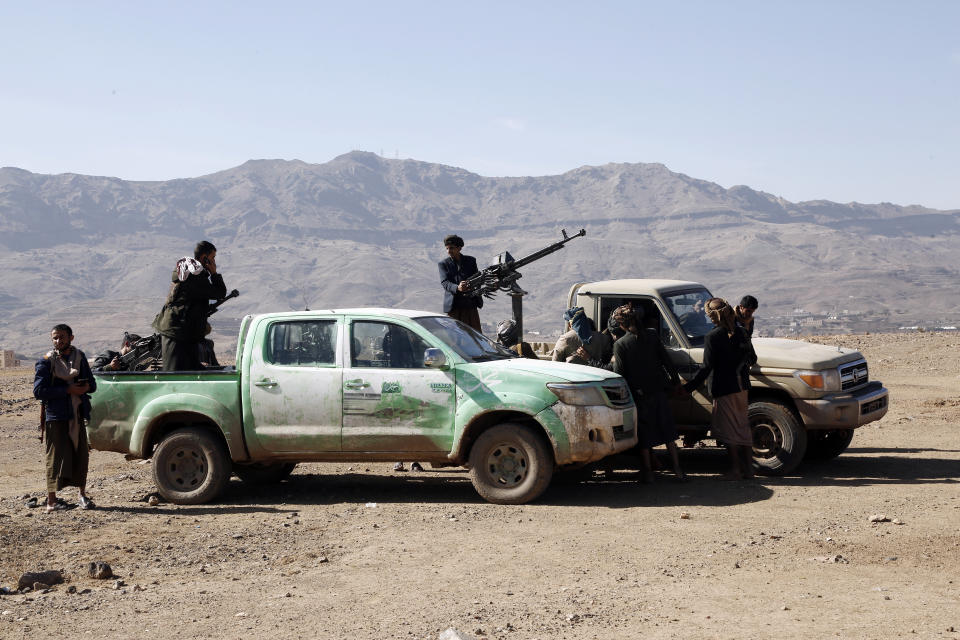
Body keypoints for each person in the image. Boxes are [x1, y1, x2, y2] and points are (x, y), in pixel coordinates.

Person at [683, 298, 758, 480]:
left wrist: (688, 388)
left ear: (712, 316)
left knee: (729, 430)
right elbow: (752, 358)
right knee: (742, 426)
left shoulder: (712, 337)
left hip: (725, 387)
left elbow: (706, 368)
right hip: (742, 385)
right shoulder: (740, 332)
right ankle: (749, 470)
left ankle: (735, 470)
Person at [610, 305, 687, 483]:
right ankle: (678, 471)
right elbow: (667, 362)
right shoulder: (652, 335)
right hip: (659, 390)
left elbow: (620, 374)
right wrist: (675, 383)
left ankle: (649, 474)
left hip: (640, 395)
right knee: (668, 431)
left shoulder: (620, 345)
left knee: (644, 435)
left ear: (621, 325)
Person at [33, 324, 97, 513]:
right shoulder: (45, 362)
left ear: (71, 338)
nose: (58, 341)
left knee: (81, 455)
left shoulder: (80, 357)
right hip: (56, 416)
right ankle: (52, 501)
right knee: (55, 458)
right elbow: (39, 391)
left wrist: (84, 388)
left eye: (62, 337)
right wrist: (68, 390)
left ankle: (82, 496)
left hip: (77, 414)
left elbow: (92, 384)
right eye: (55, 338)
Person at [154, 241, 227, 371]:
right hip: (175, 333)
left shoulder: (193, 274)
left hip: (186, 333)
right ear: (204, 257)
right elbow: (219, 292)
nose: (214, 262)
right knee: (175, 374)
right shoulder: (193, 276)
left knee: (192, 371)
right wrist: (214, 274)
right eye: (212, 258)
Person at [438, 234, 483, 333]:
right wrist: (457, 288)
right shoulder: (443, 264)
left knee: (475, 336)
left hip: (470, 305)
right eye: (447, 248)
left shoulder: (471, 261)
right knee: (454, 338)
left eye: (451, 248)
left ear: (459, 248)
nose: (449, 251)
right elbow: (445, 282)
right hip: (454, 307)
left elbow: (478, 278)